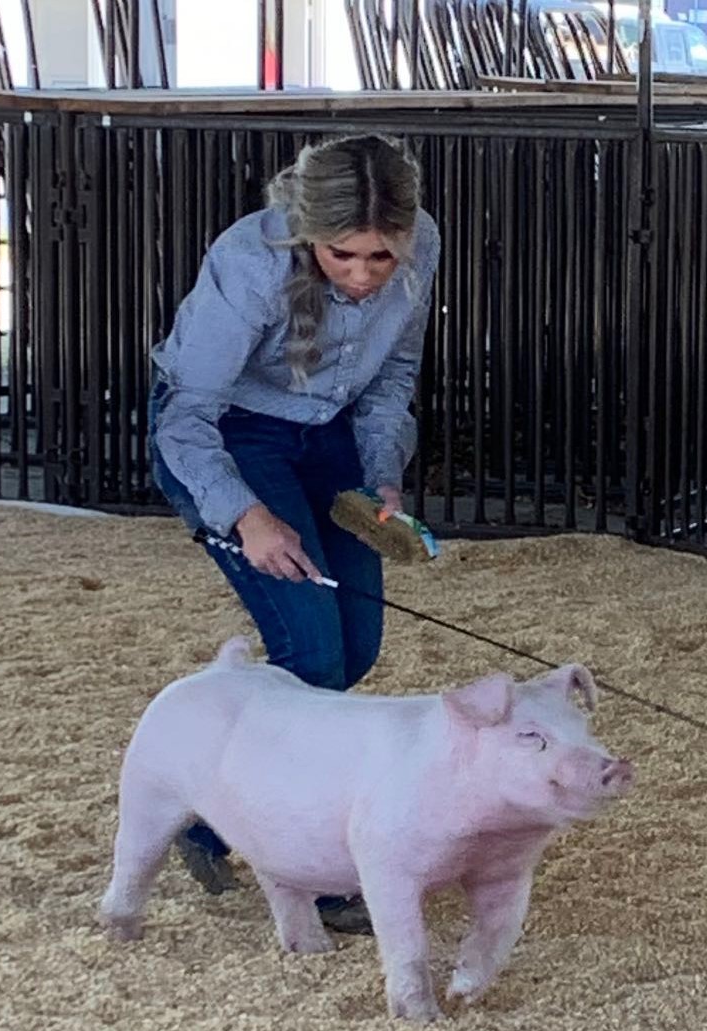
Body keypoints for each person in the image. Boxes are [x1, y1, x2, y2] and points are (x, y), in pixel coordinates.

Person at [148, 134, 441, 934]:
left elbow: (391, 380)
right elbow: (186, 415)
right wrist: (247, 513)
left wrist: (382, 477)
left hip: (331, 434)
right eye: (343, 254)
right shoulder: (249, 259)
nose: (363, 274)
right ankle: (293, 843)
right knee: (312, 651)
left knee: (358, 645)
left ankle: (216, 818)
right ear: (308, 229)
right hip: (230, 437)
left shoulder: (424, 245)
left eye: (382, 257)